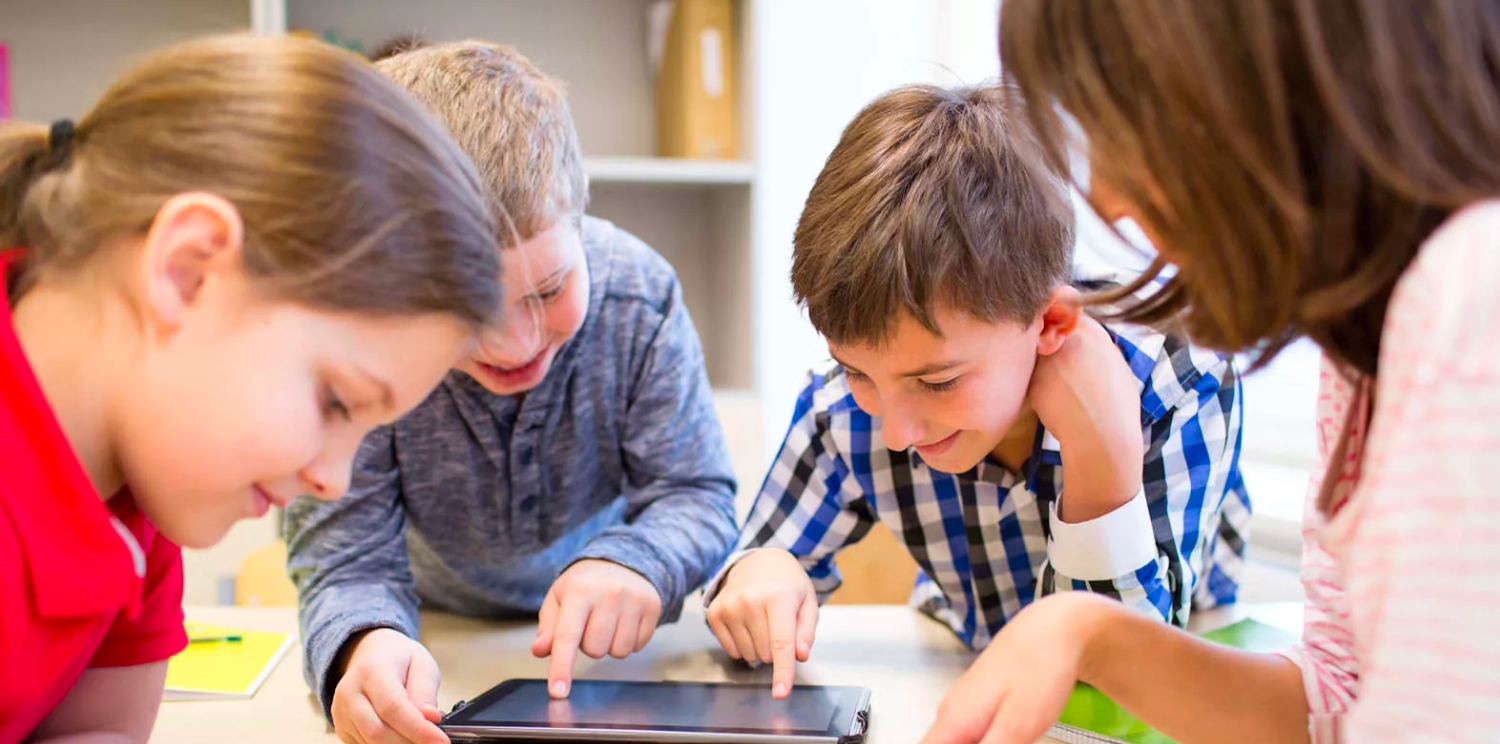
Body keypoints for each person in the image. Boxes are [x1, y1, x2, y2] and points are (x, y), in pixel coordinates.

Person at [921, 1, 1500, 742]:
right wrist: (1088, 633)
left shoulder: (1471, 294)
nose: (1109, 198)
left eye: (1123, 123)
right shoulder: (1360, 361)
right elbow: (1338, 697)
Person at [0, 33, 502, 744]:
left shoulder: (144, 477)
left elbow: (96, 731)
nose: (334, 481)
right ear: (188, 271)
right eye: (336, 401)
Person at [704, 83, 1251, 700]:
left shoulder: (1179, 376)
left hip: (1184, 673)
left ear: (1051, 322)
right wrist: (760, 573)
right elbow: (749, 570)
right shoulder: (842, 411)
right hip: (964, 656)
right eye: (856, 371)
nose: (896, 433)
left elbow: (1122, 673)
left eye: (938, 381)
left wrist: (1103, 457)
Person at [284, 41, 738, 744]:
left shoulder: (639, 296)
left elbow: (697, 493)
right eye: (469, 311)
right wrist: (363, 645)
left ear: (580, 217)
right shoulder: (362, 334)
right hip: (425, 637)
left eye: (549, 290)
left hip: (609, 655)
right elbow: (345, 556)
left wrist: (639, 560)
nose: (515, 344)